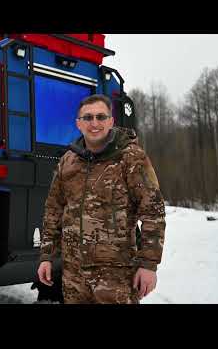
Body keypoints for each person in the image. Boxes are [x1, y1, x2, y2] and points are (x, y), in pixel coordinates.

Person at [37, 94, 166, 304]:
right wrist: (47, 257)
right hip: (74, 277)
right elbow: (53, 211)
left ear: (111, 121)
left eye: (100, 116)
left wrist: (148, 264)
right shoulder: (67, 162)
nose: (94, 123)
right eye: (87, 118)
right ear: (78, 123)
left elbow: (153, 212)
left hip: (116, 277)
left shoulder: (131, 158)